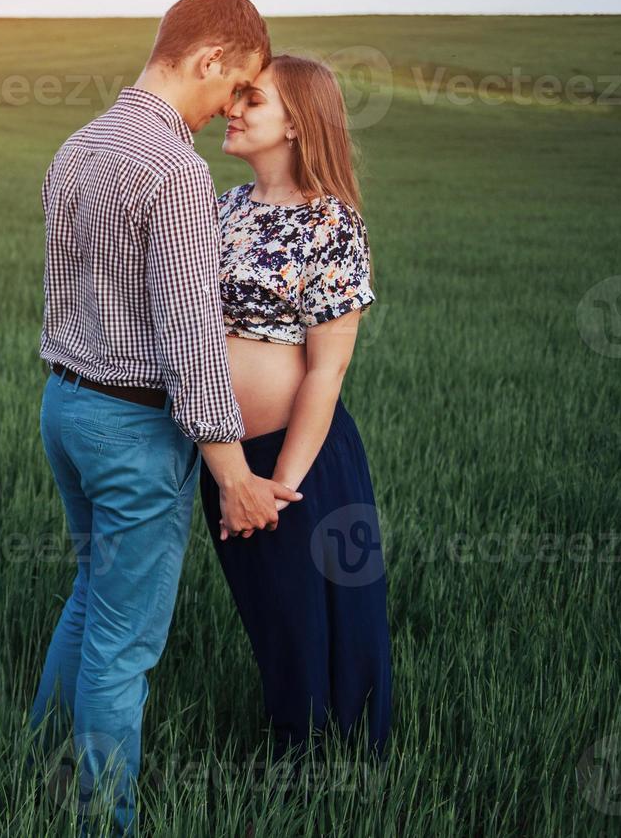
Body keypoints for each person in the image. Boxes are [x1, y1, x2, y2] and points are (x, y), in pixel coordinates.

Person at [28, 0, 301, 836]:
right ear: (210, 59)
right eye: (236, 84)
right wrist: (234, 478)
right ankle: (102, 822)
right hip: (133, 431)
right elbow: (189, 339)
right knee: (123, 646)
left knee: (91, 601)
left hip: (64, 409)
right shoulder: (176, 171)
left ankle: (38, 773)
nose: (231, 104)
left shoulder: (79, 145)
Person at [201, 54, 392, 756]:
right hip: (225, 458)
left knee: (327, 620)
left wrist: (279, 485)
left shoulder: (330, 223)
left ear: (296, 123)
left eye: (253, 99)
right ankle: (294, 757)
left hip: (298, 463)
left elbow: (326, 367)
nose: (233, 107)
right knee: (274, 618)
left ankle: (340, 772)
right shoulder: (220, 208)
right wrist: (229, 473)